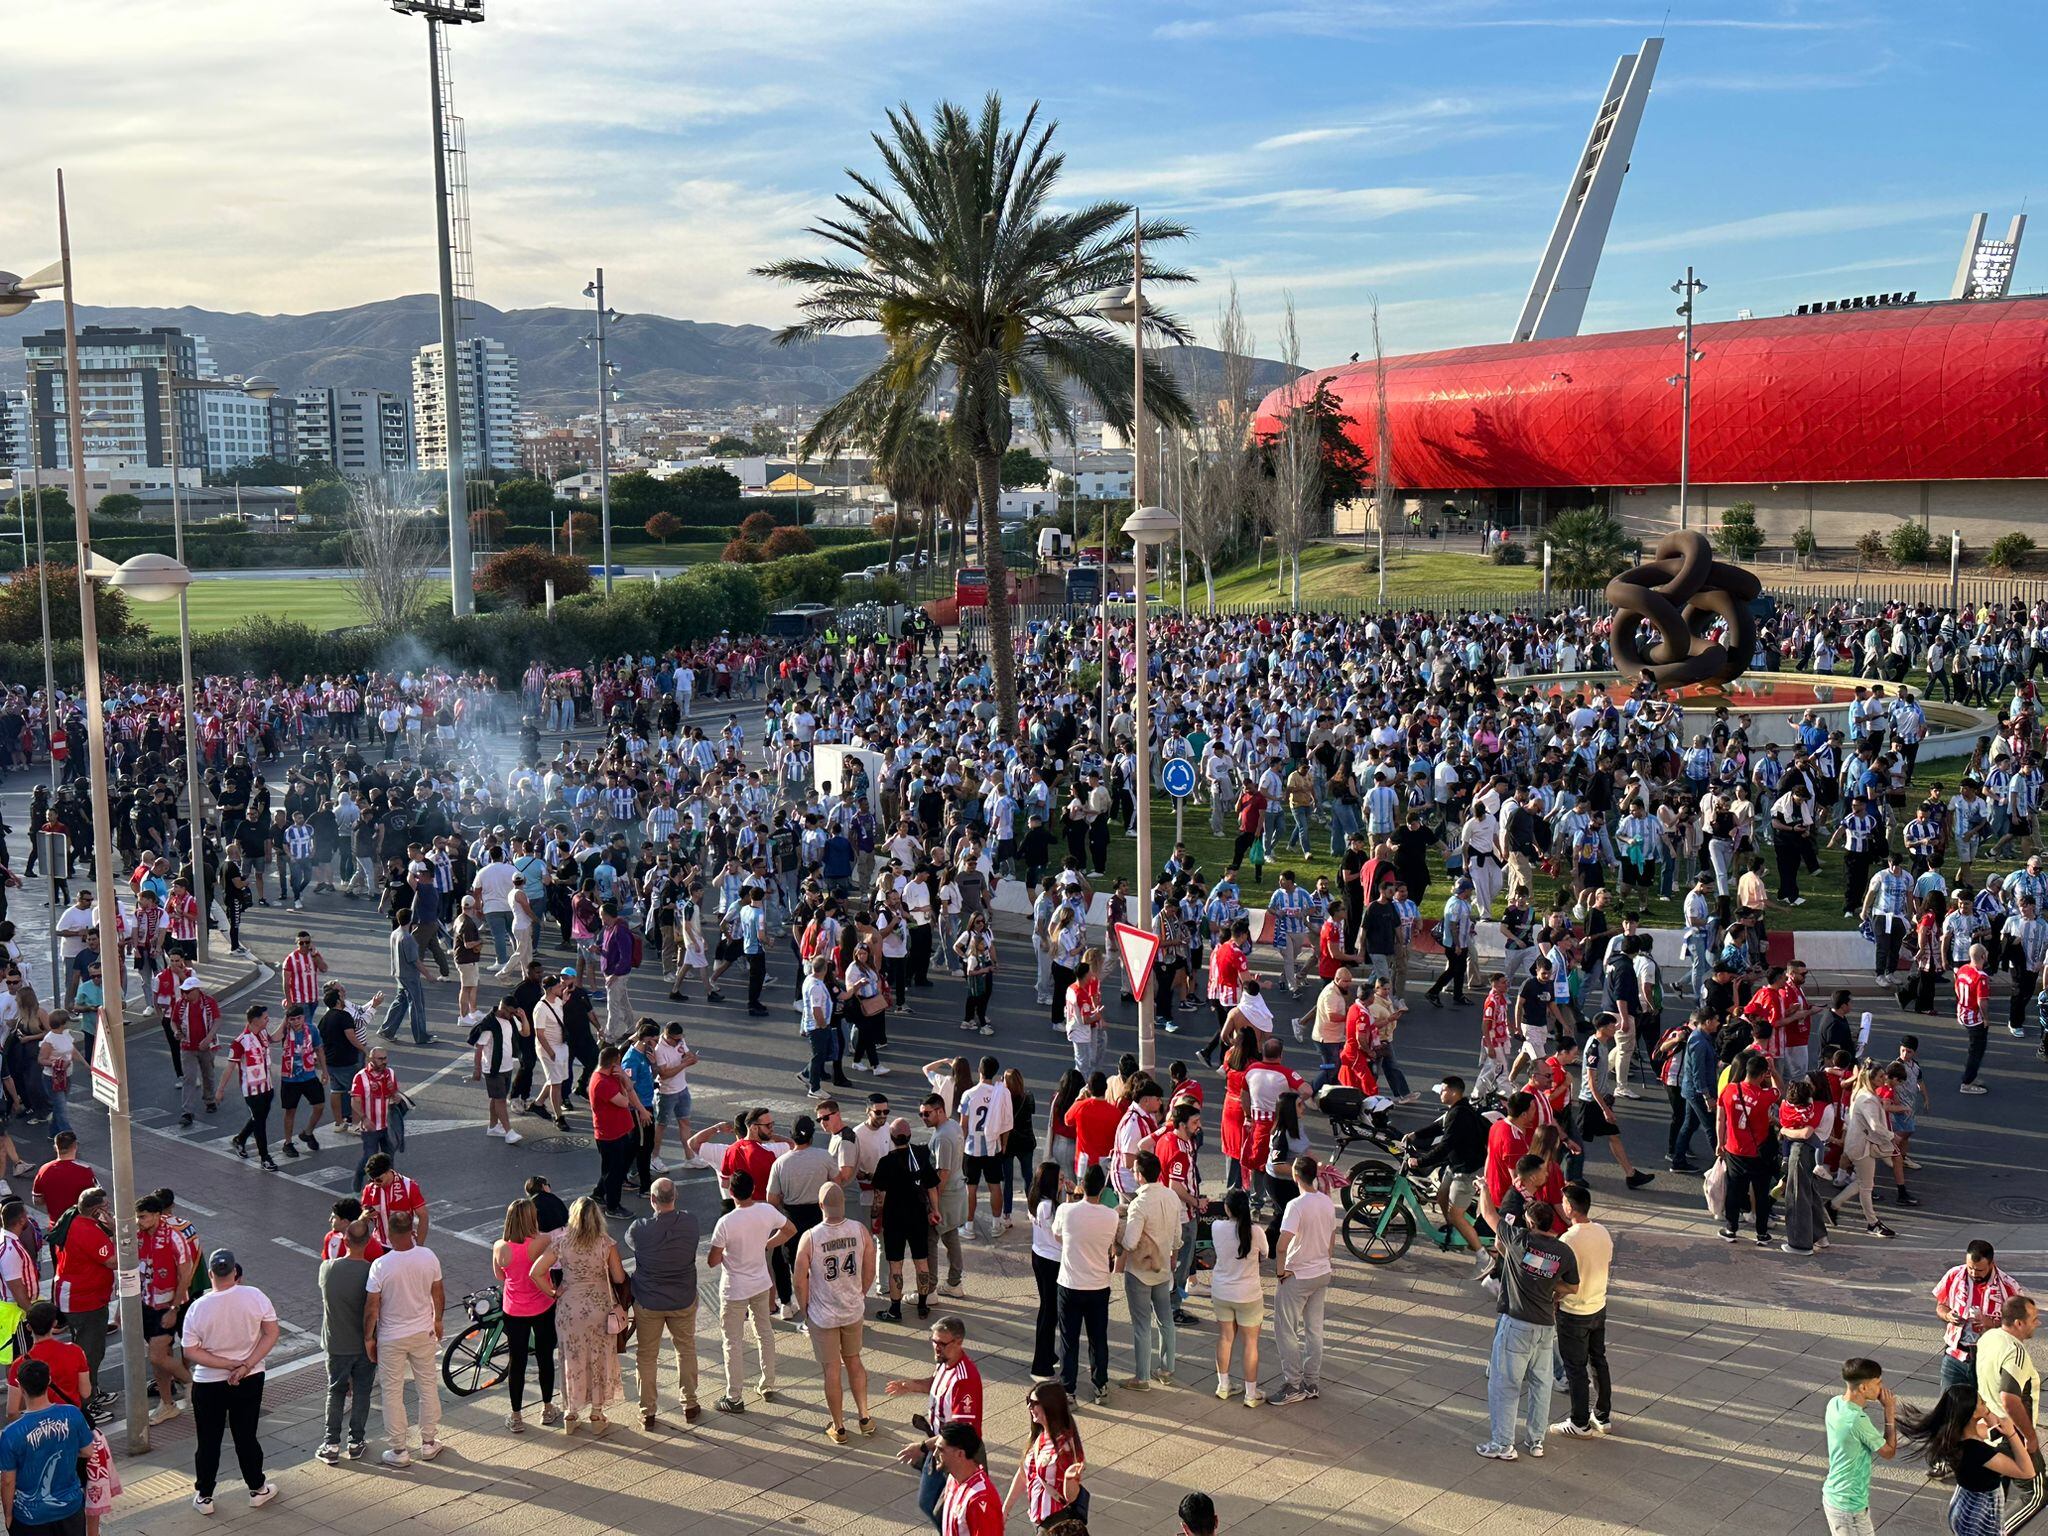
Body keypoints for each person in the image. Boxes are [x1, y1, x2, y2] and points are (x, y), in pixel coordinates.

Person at [1476, 1199, 1579, 1461]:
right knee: (1541, 1385)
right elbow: (1573, 1287)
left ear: (1530, 1223)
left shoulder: (1520, 1241)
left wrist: (1484, 1188)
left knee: (1505, 1384)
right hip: (1545, 1327)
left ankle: (1502, 1444)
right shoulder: (1563, 1252)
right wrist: (1552, 1287)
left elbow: (1488, 1213)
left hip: (1517, 1325)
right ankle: (1536, 1441)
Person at [180, 1249, 279, 1515]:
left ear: (210, 1274)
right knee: (246, 1436)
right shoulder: (255, 1296)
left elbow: (190, 1351)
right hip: (250, 1378)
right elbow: (271, 1333)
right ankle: (257, 1489)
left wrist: (226, 1364)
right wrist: (245, 1365)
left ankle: (205, 1496)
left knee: (208, 1440)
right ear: (235, 1272)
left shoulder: (197, 1308)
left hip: (207, 1383)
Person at [532, 1195, 626, 1432]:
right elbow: (618, 1277)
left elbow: (536, 1271)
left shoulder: (561, 1243)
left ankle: (571, 1414)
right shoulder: (606, 1243)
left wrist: (553, 1292)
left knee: (571, 1358)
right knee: (599, 1358)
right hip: (599, 1308)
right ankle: (596, 1414)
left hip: (569, 1309)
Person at [793, 1181, 876, 1444]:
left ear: (821, 1205)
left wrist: (805, 1310)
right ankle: (864, 1416)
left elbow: (799, 1280)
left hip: (823, 1315)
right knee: (854, 1361)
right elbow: (870, 1267)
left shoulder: (811, 1237)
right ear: (843, 1204)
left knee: (831, 1369)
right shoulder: (859, 1230)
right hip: (852, 1310)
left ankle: (838, 1426)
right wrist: (860, 1293)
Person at [1898, 1380, 2036, 1536]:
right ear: (1972, 1414)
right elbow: (2027, 1472)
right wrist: (2011, 1434)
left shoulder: (1955, 1435)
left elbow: (1989, 1429)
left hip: (1964, 1506)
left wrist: (1987, 1415)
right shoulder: (1978, 1452)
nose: (1986, 1403)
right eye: (1982, 1402)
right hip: (1979, 1518)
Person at [707, 1168, 793, 1414]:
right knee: (764, 1332)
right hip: (761, 1284)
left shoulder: (726, 1222)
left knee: (732, 1341)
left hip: (734, 1288)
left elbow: (712, 1261)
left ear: (731, 1193)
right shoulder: (766, 1211)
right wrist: (767, 1244)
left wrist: (726, 1254)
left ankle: (734, 1396)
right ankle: (767, 1383)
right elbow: (790, 1229)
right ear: (753, 1189)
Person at [363, 1209, 444, 1467]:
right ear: (412, 1230)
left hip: (391, 1336)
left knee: (392, 1392)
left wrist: (369, 1339)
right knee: (427, 1386)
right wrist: (438, 1320)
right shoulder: (428, 1256)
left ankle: (399, 1449)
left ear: (389, 1233)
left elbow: (372, 1307)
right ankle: (429, 1442)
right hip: (422, 1332)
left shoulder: (380, 1265)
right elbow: (438, 1292)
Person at [886, 1315, 983, 1530]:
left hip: (957, 1452)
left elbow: (960, 1432)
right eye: (934, 1341)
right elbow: (935, 1383)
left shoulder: (964, 1380)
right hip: (940, 1444)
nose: (937, 1348)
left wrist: (921, 1447)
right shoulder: (945, 1362)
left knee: (940, 1505)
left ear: (959, 1342)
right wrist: (910, 1385)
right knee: (933, 1503)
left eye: (942, 1343)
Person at [625, 1177, 701, 1429]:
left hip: (649, 1301)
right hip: (683, 1298)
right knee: (686, 1349)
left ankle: (647, 1411)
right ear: (675, 1196)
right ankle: (690, 1403)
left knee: (647, 1356)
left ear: (652, 1199)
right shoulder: (690, 1222)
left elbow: (632, 1244)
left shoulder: (639, 1229)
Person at [1268, 1153, 1334, 1407]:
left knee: (1286, 1330)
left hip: (1298, 1275)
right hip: (1321, 1272)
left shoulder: (1296, 1205)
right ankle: (1311, 1382)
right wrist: (1325, 1259)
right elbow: (1331, 1237)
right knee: (1314, 1330)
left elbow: (1282, 1244)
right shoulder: (1326, 1201)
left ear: (1296, 1176)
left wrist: (1281, 1271)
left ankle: (1293, 1384)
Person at [0, 1358, 93, 1536]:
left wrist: (8, 1514)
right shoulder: (72, 1413)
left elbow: (7, 1481)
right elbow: (88, 1451)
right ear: (49, 1381)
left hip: (30, 1516)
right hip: (70, 1508)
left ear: (20, 1386)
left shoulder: (11, 1434)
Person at [1549, 1183, 1614, 1439]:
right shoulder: (1602, 1232)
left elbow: (1558, 1276)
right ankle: (1602, 1415)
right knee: (1598, 1360)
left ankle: (1579, 1422)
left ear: (1569, 1207)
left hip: (1574, 1312)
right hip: (1598, 1306)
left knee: (1575, 1368)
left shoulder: (1568, 1240)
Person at [1052, 1165, 1120, 1406]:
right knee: (1098, 1339)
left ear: (1082, 1184)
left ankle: (1068, 1389)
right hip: (1098, 1285)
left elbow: (1057, 1236)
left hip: (1070, 1284)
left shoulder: (1066, 1210)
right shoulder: (1111, 1216)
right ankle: (1100, 1385)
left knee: (1068, 1340)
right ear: (1102, 1189)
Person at [493, 1200, 560, 1434]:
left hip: (514, 1310)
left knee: (517, 1361)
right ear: (532, 1218)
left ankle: (516, 1415)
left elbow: (500, 1276)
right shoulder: (543, 1241)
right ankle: (548, 1408)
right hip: (542, 1306)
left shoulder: (500, 1246)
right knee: (545, 1357)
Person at [315, 1220, 377, 1464]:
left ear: (346, 1240)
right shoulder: (372, 1272)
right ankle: (356, 1442)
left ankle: (331, 1444)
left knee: (336, 1390)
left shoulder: (327, 1269)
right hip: (365, 1344)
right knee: (362, 1391)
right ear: (368, 1242)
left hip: (336, 1343)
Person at [1119, 1148, 1180, 1390]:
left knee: (1142, 1325)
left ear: (1140, 1175)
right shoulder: (1171, 1197)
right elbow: (1177, 1236)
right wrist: (1172, 1257)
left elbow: (1130, 1242)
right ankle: (1166, 1369)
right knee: (1166, 1321)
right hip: (1163, 1268)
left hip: (1139, 1272)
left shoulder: (1139, 1204)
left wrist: (1119, 1231)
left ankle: (1142, 1377)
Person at [872, 1116, 941, 1323]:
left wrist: (875, 1217)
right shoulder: (920, 1156)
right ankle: (922, 1305)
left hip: (894, 1220)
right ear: (909, 1136)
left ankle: (895, 1310)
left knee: (896, 1266)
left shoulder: (886, 1162)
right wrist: (935, 1210)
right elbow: (932, 1187)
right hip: (918, 1217)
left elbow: (880, 1196)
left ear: (891, 1138)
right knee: (922, 1262)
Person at [1933, 1240, 2027, 1391]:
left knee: (1986, 1404)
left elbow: (2021, 1325)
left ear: (1991, 1264)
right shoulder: (1955, 1275)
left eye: (1979, 1270)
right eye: (1970, 1268)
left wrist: (1993, 1324)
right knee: (1949, 1403)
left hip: (1989, 1359)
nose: (1973, 1273)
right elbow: (1941, 1306)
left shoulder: (2008, 1286)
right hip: (1955, 1355)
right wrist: (1947, 1315)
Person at [1822, 1358, 1898, 1536]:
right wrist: (1889, 1411)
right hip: (1848, 1506)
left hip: (1835, 1495)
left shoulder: (1835, 1403)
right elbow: (1888, 1452)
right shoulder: (1857, 1420)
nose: (1881, 1388)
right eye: (1878, 1383)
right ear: (1863, 1388)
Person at [1209, 1186, 1267, 1408]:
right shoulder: (1256, 1232)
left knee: (1225, 1338)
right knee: (1250, 1343)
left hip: (1221, 1291)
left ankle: (1223, 1386)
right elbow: (1266, 1253)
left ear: (1227, 1208)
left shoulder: (1216, 1227)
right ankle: (1251, 1394)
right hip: (1248, 1294)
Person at [1004, 1381, 1087, 1530]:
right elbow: (1024, 1473)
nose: (1029, 1407)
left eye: (1034, 1403)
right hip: (1038, 1519)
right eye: (1028, 1401)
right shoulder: (1038, 1435)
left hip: (1055, 1522)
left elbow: (1071, 1497)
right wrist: (1005, 1510)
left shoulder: (1065, 1447)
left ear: (1050, 1406)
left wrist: (1069, 1479)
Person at [1974, 1294, 2040, 1471]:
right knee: (2034, 1484)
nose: (2038, 1323)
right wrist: (2030, 1437)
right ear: (2019, 1323)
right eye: (2034, 1319)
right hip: (2013, 1436)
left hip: (1992, 1429)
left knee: (1993, 1481)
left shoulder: (1988, 1337)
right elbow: (2009, 1399)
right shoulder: (2015, 1352)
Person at [934, 1420, 1003, 1536]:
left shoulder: (979, 1499)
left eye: (940, 1450)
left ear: (960, 1454)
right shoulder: (953, 1479)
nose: (934, 1454)